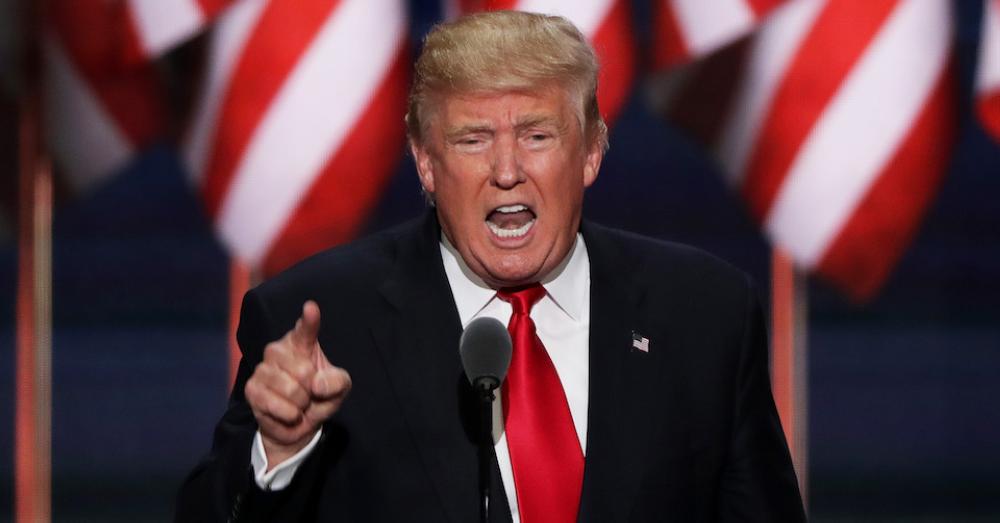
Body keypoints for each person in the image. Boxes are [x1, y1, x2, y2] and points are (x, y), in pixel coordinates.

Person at [176, 10, 805, 523]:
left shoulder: (704, 313)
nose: (507, 170)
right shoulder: (324, 322)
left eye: (537, 135)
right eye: (472, 139)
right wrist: (278, 451)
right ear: (425, 164)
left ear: (591, 151)